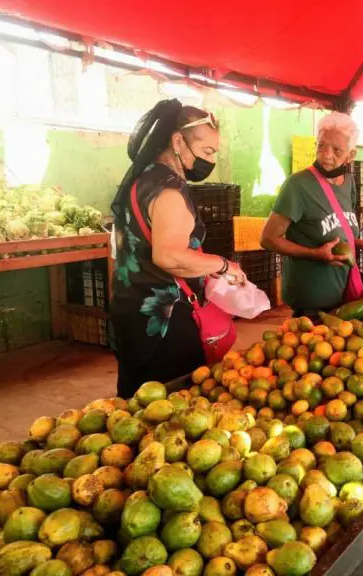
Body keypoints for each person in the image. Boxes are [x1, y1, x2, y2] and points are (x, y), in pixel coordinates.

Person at [109, 99, 245, 399]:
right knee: (171, 405)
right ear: (177, 141)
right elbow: (168, 255)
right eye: (207, 151)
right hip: (164, 326)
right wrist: (222, 265)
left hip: (130, 313)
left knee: (136, 404)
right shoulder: (169, 189)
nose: (210, 160)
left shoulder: (141, 180)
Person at [261, 113, 363, 319]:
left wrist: (356, 242)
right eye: (321, 145)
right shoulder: (298, 185)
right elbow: (268, 239)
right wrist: (315, 254)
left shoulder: (349, 182)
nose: (326, 155)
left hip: (344, 298)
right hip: (311, 303)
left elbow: (339, 225)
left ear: (351, 155)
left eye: (336, 150)